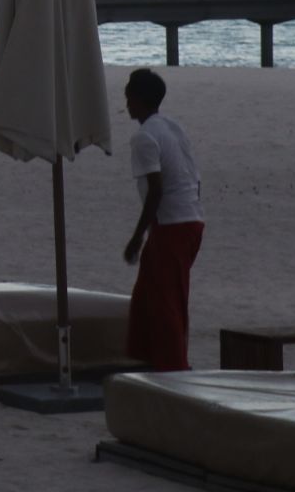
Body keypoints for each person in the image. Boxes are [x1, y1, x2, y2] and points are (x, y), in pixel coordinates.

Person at [121, 68, 205, 371]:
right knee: (148, 294)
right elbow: (195, 178)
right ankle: (151, 360)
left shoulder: (144, 138)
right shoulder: (173, 127)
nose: (126, 102)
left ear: (139, 99)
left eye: (129, 96)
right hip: (191, 220)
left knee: (166, 303)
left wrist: (137, 237)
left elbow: (155, 190)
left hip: (173, 226)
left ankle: (174, 368)